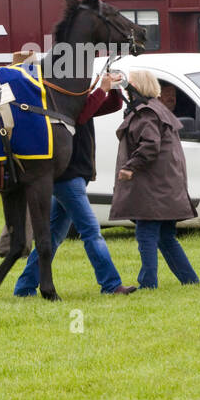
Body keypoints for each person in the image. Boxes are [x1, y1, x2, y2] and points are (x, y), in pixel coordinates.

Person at [14, 72, 137, 296]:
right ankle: (111, 285)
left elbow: (111, 105)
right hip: (67, 178)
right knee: (91, 231)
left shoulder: (79, 101)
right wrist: (101, 88)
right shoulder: (64, 105)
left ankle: (24, 287)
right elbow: (82, 116)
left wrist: (114, 87)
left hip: (72, 177)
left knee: (53, 236)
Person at [110, 69, 199, 289]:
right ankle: (190, 280)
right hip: (166, 184)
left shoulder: (146, 113)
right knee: (166, 237)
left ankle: (148, 283)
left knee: (146, 233)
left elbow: (150, 145)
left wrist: (130, 167)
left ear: (138, 87)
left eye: (129, 84)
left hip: (153, 187)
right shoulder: (158, 109)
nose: (126, 89)